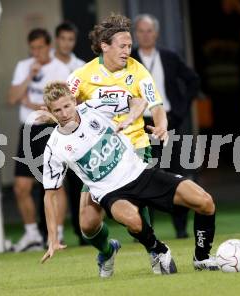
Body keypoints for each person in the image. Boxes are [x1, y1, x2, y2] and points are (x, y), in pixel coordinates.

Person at [39, 81, 218, 277]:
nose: (64, 114)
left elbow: (139, 102)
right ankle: (158, 250)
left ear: (74, 100)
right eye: (57, 110)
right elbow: (50, 195)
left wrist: (130, 118)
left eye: (66, 106)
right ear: (49, 112)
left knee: (205, 202)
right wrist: (53, 237)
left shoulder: (94, 107)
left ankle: (202, 258)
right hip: (110, 193)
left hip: (140, 173)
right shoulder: (54, 147)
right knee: (131, 220)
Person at [65, 13, 169, 272]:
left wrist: (162, 123)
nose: (128, 51)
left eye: (129, 46)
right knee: (88, 224)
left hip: (134, 145)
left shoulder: (137, 70)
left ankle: (155, 250)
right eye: (122, 46)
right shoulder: (82, 75)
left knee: (133, 212)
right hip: (99, 154)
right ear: (105, 46)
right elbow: (64, 103)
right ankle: (107, 250)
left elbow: (155, 104)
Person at [131, 13, 201, 238]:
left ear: (157, 33)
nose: (145, 35)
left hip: (168, 122)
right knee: (142, 176)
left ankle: (180, 228)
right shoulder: (128, 60)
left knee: (176, 175)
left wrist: (180, 110)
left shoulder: (169, 57)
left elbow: (193, 80)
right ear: (135, 34)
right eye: (141, 31)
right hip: (140, 126)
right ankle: (145, 230)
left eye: (149, 30)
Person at [8, 28, 70, 251]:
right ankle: (32, 234)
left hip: (51, 129)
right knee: (21, 186)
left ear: (49, 46)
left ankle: (58, 233)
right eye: (32, 48)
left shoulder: (60, 69)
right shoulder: (24, 67)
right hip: (28, 129)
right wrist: (28, 77)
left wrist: (32, 104)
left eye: (40, 47)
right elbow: (13, 97)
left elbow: (63, 106)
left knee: (55, 184)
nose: (36, 52)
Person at [52, 21, 86, 245]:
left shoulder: (81, 67)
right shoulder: (47, 65)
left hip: (75, 130)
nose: (66, 43)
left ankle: (82, 230)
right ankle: (52, 232)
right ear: (57, 40)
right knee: (51, 182)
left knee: (78, 181)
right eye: (63, 38)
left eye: (70, 39)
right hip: (50, 129)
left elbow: (84, 98)